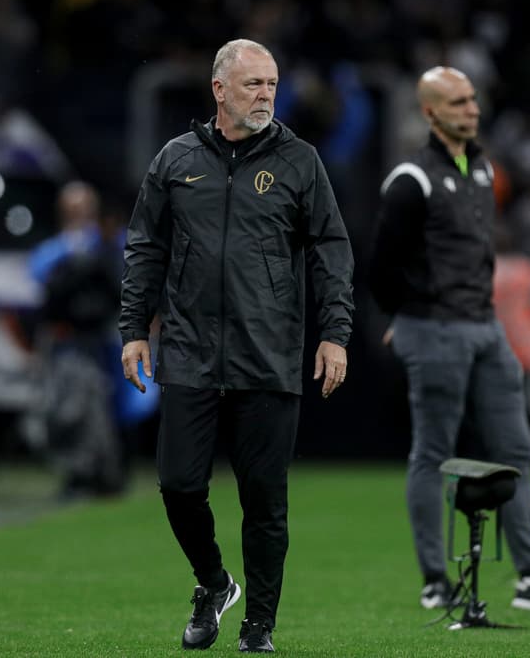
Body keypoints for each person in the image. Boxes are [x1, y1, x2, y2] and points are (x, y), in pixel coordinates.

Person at [119, 39, 354, 653]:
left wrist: (334, 333)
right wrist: (134, 329)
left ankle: (260, 627)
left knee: (264, 501)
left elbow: (332, 250)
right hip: (191, 350)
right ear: (220, 90)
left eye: (272, 84)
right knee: (177, 485)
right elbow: (145, 246)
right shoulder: (175, 160)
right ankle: (214, 583)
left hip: (269, 351)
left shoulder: (300, 161)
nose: (266, 95)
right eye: (253, 84)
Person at [369, 66, 530, 612]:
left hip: (485, 327)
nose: (471, 109)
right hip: (436, 327)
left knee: (515, 447)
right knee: (434, 451)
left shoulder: (482, 168)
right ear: (429, 113)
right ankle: (433, 580)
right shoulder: (411, 179)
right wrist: (405, 315)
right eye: (457, 102)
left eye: (472, 99)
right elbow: (380, 265)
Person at [27, 181, 126, 499]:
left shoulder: (109, 245)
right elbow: (38, 277)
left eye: (84, 210)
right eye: (72, 211)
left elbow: (125, 280)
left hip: (103, 340)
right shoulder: (56, 249)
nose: (78, 216)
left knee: (100, 408)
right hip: (66, 340)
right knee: (68, 408)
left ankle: (101, 472)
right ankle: (82, 472)